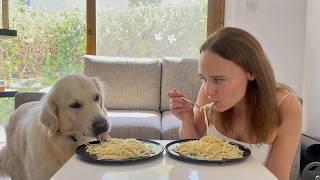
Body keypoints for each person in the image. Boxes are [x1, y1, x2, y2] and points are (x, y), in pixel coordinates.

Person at [168, 27, 302, 180]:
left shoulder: (287, 106)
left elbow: (277, 177)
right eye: (203, 78)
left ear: (251, 72)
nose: (209, 90)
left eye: (218, 80)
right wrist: (187, 119)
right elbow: (191, 147)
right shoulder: (208, 91)